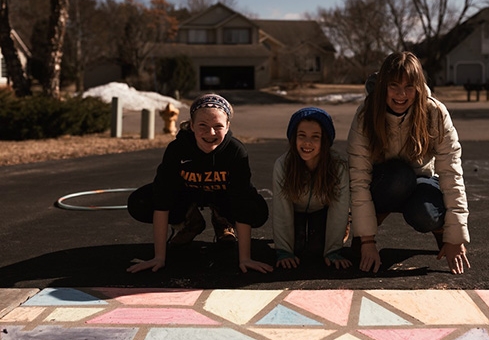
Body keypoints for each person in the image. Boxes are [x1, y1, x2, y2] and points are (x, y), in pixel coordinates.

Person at [347, 51, 471, 274]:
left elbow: (451, 173)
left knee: (425, 213)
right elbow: (358, 176)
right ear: (383, 85)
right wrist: (366, 240)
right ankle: (370, 221)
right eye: (393, 85)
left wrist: (455, 237)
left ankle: (439, 230)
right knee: (399, 177)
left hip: (421, 181)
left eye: (409, 87)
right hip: (385, 184)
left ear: (419, 87)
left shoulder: (434, 113)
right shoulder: (366, 115)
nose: (401, 94)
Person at [127, 93, 273, 274]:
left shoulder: (236, 151)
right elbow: (162, 201)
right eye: (203, 125)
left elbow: (242, 201)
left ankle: (223, 221)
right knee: (140, 202)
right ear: (192, 125)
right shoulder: (178, 149)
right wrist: (159, 257)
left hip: (222, 196)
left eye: (218, 126)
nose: (210, 133)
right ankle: (189, 221)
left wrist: (245, 259)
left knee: (256, 209)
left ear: (227, 127)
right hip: (187, 195)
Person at [273, 107, 352, 270]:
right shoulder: (283, 165)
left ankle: (341, 232)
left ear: (325, 141)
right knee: (298, 248)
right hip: (296, 211)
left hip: (322, 210)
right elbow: (282, 210)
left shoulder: (338, 166)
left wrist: (333, 250)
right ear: (294, 138)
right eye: (302, 136)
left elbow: (339, 208)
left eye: (315, 137)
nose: (307, 143)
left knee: (317, 250)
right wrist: (284, 251)